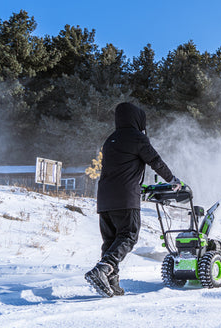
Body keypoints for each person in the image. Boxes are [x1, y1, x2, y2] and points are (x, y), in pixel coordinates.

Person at [85, 102, 183, 297]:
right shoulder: (137, 138)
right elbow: (155, 161)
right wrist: (172, 179)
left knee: (111, 241)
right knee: (129, 235)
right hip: (125, 197)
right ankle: (104, 268)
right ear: (137, 119)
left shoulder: (110, 139)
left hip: (104, 199)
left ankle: (112, 283)